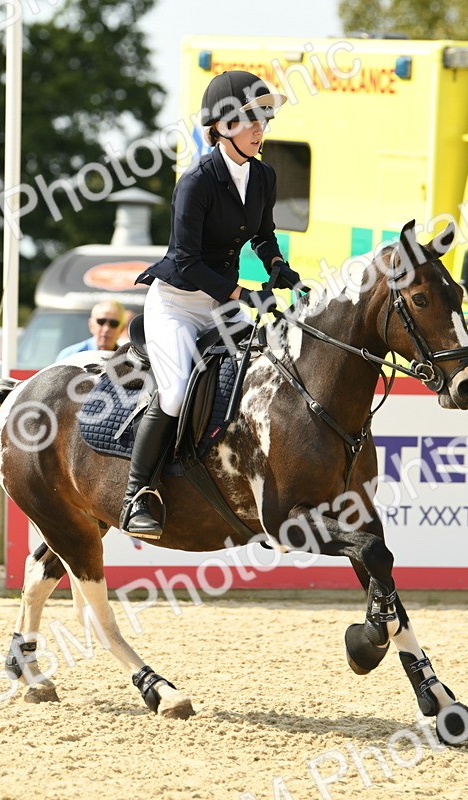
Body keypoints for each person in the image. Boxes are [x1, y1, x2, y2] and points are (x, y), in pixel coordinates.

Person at [122, 70, 300, 539]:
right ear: (222, 127)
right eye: (249, 120)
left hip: (220, 305)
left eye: (264, 117)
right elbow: (186, 260)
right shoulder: (196, 182)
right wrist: (243, 292)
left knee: (261, 376)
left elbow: (263, 235)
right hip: (178, 303)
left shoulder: (263, 174)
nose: (261, 128)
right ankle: (137, 494)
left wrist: (277, 266)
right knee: (177, 392)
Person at [56, 300, 127, 359]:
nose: (106, 329)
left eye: (114, 323)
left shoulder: (128, 359)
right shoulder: (69, 356)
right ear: (91, 325)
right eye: (101, 321)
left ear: (121, 329)